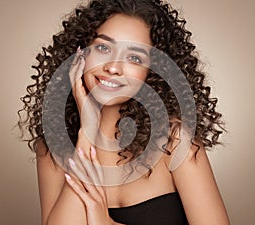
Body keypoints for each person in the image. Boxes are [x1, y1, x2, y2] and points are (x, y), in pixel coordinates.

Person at [18, 0, 230, 224]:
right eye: (103, 48)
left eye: (134, 58)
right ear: (80, 53)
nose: (113, 67)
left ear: (152, 72)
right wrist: (88, 131)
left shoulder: (175, 140)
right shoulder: (52, 148)